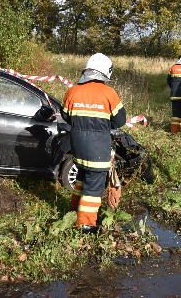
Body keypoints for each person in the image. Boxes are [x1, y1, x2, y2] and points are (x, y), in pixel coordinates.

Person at [61, 53, 126, 233]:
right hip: (97, 149)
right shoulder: (109, 93)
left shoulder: (72, 91)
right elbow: (120, 120)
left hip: (78, 148)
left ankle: (74, 212)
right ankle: (86, 225)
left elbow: (66, 116)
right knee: (93, 189)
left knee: (81, 179)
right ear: (105, 73)